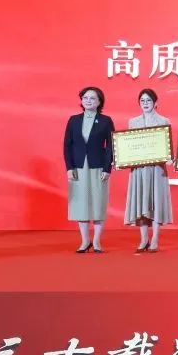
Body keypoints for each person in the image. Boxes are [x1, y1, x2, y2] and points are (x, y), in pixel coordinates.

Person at [63, 86, 115, 253]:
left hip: (98, 166)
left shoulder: (106, 121)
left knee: (98, 202)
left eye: (92, 98)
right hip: (78, 167)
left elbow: (111, 146)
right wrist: (69, 167)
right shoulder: (74, 120)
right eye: (85, 98)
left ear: (99, 102)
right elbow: (67, 145)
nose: (88, 101)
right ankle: (85, 241)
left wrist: (107, 168)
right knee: (81, 204)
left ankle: (97, 241)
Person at [124, 89, 173, 252]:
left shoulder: (164, 120)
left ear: (155, 103)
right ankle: (144, 239)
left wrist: (168, 157)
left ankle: (155, 239)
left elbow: (167, 146)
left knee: (156, 202)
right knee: (141, 201)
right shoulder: (133, 122)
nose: (145, 103)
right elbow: (129, 146)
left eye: (149, 100)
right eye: (142, 101)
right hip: (139, 169)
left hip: (157, 169)